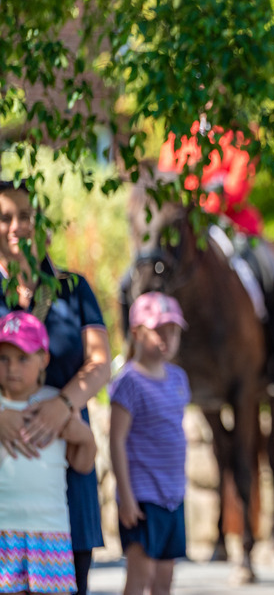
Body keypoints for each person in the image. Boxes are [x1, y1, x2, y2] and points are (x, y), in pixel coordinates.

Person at [0, 180, 111, 595]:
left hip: (66, 457)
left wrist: (63, 405)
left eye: (24, 216)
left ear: (39, 223)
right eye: (5, 217)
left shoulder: (72, 288)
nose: (15, 227)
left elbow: (99, 362)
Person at [155, 120, 274, 388]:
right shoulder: (177, 134)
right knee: (141, 274)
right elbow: (165, 183)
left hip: (233, 223)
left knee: (270, 270)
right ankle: (134, 354)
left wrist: (202, 204)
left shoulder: (240, 133)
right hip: (186, 230)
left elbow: (238, 186)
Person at [0, 311, 97, 595]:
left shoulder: (57, 405)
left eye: (23, 358)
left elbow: (82, 464)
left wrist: (84, 437)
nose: (12, 368)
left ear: (43, 359)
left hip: (49, 532)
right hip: (4, 531)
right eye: (3, 358)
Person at [108, 292, 191, 595]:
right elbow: (116, 440)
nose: (167, 337)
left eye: (173, 330)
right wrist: (126, 497)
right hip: (142, 496)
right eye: (158, 329)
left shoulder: (179, 378)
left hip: (173, 495)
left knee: (165, 580)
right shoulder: (128, 382)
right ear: (136, 333)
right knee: (139, 576)